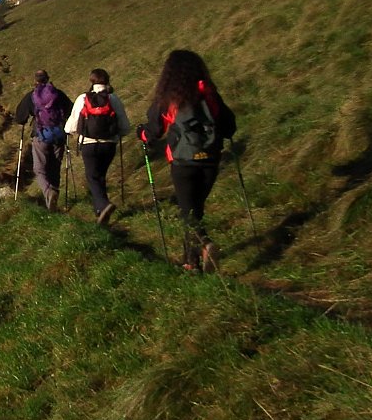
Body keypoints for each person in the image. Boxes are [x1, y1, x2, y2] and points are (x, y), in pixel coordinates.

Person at [139, 49, 238, 272]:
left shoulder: (168, 98)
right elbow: (229, 126)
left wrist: (141, 134)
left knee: (187, 212)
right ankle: (190, 262)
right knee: (195, 210)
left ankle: (205, 243)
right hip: (211, 160)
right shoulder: (209, 93)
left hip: (182, 162)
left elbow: (154, 130)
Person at [65, 68, 132, 225]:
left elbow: (70, 127)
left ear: (91, 81)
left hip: (89, 145)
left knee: (92, 177)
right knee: (99, 176)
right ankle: (100, 212)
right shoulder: (113, 99)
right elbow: (125, 126)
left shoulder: (83, 98)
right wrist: (118, 135)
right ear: (107, 80)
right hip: (109, 145)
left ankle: (103, 205)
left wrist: (72, 132)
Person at [14, 70, 72, 212]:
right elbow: (71, 110)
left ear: (35, 80)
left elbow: (20, 117)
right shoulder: (58, 94)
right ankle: (53, 197)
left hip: (41, 136)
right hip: (59, 134)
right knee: (55, 166)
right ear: (47, 79)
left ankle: (48, 192)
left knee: (39, 169)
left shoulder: (31, 96)